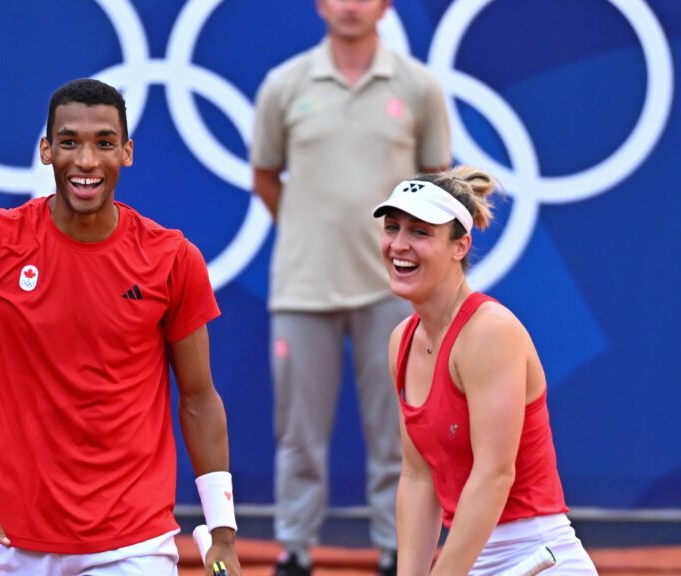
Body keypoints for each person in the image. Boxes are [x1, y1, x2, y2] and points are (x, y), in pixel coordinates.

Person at [0, 78, 241, 576]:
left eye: (105, 143)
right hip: (3, 539)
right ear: (46, 150)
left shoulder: (173, 260)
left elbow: (199, 398)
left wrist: (221, 531)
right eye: (70, 142)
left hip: (131, 545)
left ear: (127, 152)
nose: (87, 161)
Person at [250, 1, 451, 574]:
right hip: (302, 287)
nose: (351, 5)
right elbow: (266, 176)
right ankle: (294, 548)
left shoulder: (418, 87)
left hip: (393, 292)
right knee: (298, 433)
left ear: (386, 4)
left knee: (400, 431)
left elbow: (438, 187)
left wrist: (404, 254)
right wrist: (312, 234)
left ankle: (399, 550)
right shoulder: (284, 85)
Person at [374, 167, 598, 574]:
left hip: (538, 555)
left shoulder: (489, 332)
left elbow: (495, 475)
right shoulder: (401, 341)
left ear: (460, 246)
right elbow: (419, 476)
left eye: (420, 232)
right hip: (472, 556)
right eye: (392, 228)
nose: (399, 245)